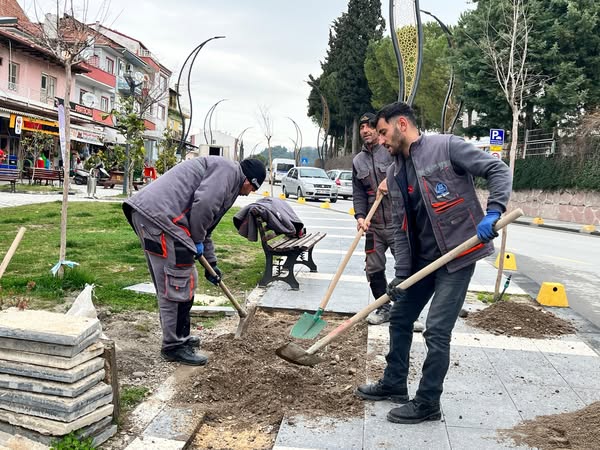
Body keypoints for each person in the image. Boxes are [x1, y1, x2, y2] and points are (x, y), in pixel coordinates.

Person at [355, 102, 511, 424]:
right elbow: (401, 225)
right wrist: (400, 275)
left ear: (401, 124)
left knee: (437, 331)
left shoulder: (446, 146)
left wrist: (494, 210)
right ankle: (395, 383)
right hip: (423, 261)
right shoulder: (396, 171)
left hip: (457, 256)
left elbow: (498, 170)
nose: (380, 140)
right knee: (400, 318)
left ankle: (428, 402)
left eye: (383, 132)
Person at [123, 156, 266, 366]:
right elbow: (204, 207)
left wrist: (211, 262)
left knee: (181, 280)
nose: (249, 193)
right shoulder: (227, 173)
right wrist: (196, 241)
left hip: (158, 218)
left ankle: (179, 338)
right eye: (253, 189)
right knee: (177, 283)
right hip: (163, 220)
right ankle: (173, 346)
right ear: (250, 182)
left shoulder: (228, 177)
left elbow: (206, 225)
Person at [352, 112, 423, 331]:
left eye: (370, 126)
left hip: (397, 223)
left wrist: (389, 179)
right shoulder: (358, 161)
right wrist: (361, 217)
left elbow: (410, 172)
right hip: (374, 225)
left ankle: (407, 312)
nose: (365, 130)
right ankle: (383, 307)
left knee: (406, 266)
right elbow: (358, 194)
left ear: (379, 129)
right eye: (362, 127)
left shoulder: (392, 150)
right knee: (373, 268)